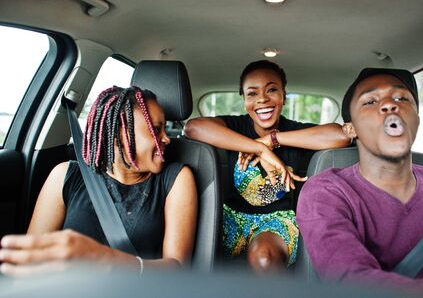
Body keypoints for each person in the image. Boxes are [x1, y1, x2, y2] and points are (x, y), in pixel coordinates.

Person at [0, 86, 197, 276]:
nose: (166, 139)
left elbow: (176, 268)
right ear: (121, 131)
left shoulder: (175, 179)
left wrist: (108, 260)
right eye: (156, 129)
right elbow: (29, 262)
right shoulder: (65, 175)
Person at [184, 60, 349, 273]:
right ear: (244, 100)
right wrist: (259, 149)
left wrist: (272, 140)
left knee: (264, 257)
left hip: (277, 221)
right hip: (230, 217)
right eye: (252, 93)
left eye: (271, 90)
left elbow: (340, 136)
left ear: (283, 95)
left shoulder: (295, 132)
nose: (262, 98)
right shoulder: (235, 127)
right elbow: (193, 128)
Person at [297, 68, 423, 292]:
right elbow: (352, 281)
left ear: (416, 120)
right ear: (351, 129)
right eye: (370, 102)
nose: (390, 105)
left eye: (401, 98)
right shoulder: (326, 191)